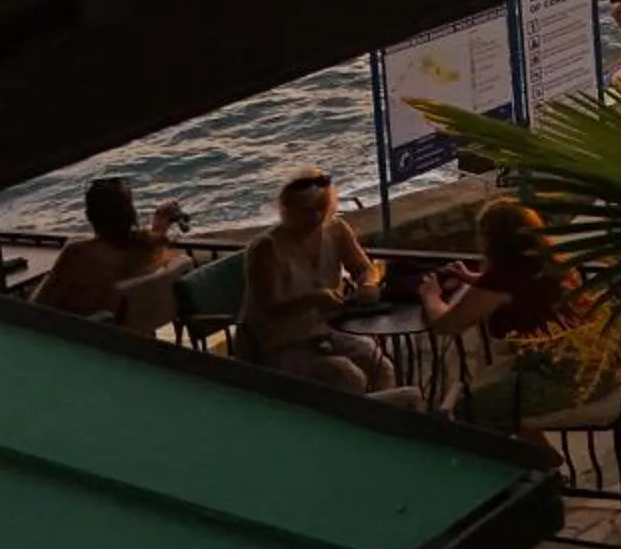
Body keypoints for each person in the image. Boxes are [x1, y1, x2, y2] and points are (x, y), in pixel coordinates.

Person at [422, 198, 588, 424]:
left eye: (480, 234)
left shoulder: (502, 279)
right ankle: (536, 456)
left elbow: (446, 324)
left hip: (560, 378)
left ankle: (521, 457)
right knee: (494, 396)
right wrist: (474, 280)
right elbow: (525, 290)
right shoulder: (554, 262)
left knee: (463, 410)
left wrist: (430, 296)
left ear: (492, 240)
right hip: (588, 364)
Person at [239, 169, 395, 394]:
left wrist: (368, 284)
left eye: (321, 208)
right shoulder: (265, 248)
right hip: (277, 344)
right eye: (306, 211)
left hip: (323, 332)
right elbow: (269, 309)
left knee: (380, 365)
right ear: (288, 209)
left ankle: (381, 417)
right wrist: (312, 299)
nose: (315, 217)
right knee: (347, 376)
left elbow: (364, 269)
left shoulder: (336, 230)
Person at [31, 178, 188, 318]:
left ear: (89, 216)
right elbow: (150, 239)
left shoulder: (77, 253)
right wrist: (160, 220)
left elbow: (38, 306)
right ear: (131, 214)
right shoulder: (144, 249)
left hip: (81, 338)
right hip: (128, 338)